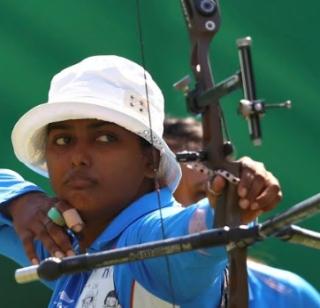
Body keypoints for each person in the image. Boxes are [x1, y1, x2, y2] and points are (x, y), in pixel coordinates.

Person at [0, 55, 309, 308]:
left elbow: (187, 232)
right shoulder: (64, 242)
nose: (78, 157)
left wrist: (228, 205)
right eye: (63, 140)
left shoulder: (149, 241)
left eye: (105, 138)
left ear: (150, 161)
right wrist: (20, 199)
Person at [163, 116, 320, 306]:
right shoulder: (120, 285)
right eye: (165, 198)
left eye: (205, 195)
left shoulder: (290, 296)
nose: (187, 210)